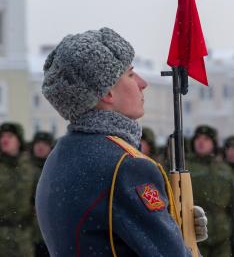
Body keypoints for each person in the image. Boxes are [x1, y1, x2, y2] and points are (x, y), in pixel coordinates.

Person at [36, 27, 207, 256]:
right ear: (107, 93)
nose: (142, 83)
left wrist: (171, 222)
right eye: (130, 74)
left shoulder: (60, 155)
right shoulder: (127, 166)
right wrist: (178, 240)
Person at [186, 125, 234, 257]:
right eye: (198, 138)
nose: (201, 142)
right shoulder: (184, 167)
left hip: (222, 235)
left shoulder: (224, 169)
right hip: (194, 232)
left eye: (206, 139)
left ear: (213, 143)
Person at [0, 122, 35, 256]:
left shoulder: (31, 167)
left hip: (24, 236)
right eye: (2, 136)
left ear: (19, 140)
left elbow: (37, 202)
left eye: (9, 136)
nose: (5, 139)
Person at [31, 131, 55, 257]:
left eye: (44, 144)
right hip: (29, 232)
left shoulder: (56, 168)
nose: (40, 147)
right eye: (38, 143)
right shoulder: (25, 168)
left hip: (50, 232)